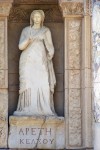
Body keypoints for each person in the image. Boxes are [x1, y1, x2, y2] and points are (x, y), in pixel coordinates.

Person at [14, 10, 56, 116]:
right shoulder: (26, 30)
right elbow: (20, 46)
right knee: (28, 83)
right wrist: (28, 40)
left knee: (43, 82)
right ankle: (27, 108)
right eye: (35, 17)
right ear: (32, 18)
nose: (37, 19)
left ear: (42, 18)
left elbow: (50, 46)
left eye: (39, 17)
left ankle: (45, 108)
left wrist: (51, 52)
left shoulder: (46, 30)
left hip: (41, 60)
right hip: (27, 61)